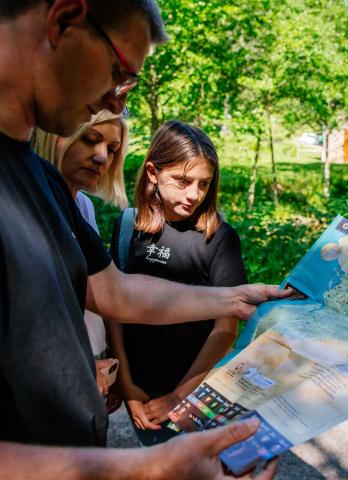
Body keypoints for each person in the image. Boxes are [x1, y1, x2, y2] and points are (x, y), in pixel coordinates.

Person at [0, 1, 284, 478]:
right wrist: (146, 469)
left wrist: (234, 299)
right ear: (64, 19)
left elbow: (115, 291)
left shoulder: (43, 181)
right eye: (119, 71)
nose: (116, 101)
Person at [108, 120, 247, 445]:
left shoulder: (219, 238)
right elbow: (113, 310)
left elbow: (225, 330)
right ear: (153, 172)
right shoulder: (128, 226)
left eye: (203, 184)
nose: (193, 194)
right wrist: (127, 386)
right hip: (140, 391)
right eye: (183, 181)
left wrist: (180, 396)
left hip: (194, 395)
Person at [33, 110, 129, 398]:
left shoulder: (83, 207)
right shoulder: (27, 204)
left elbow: (108, 293)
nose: (102, 157)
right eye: (89, 139)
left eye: (112, 150)